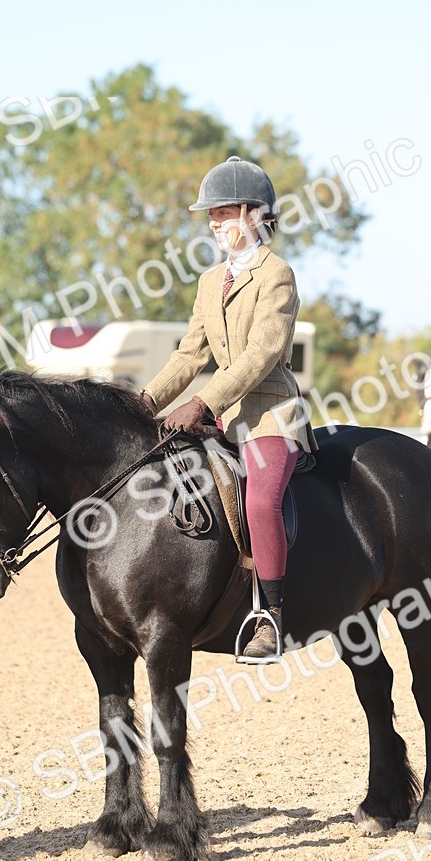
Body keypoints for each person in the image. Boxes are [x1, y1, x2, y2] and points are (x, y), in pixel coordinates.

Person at [141, 155, 317, 661]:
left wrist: (201, 401)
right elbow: (189, 354)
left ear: (254, 214)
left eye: (223, 213)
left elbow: (262, 354)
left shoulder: (276, 274)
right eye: (211, 216)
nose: (215, 224)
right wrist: (145, 402)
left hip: (270, 415)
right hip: (222, 419)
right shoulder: (208, 281)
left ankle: (271, 617)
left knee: (261, 503)